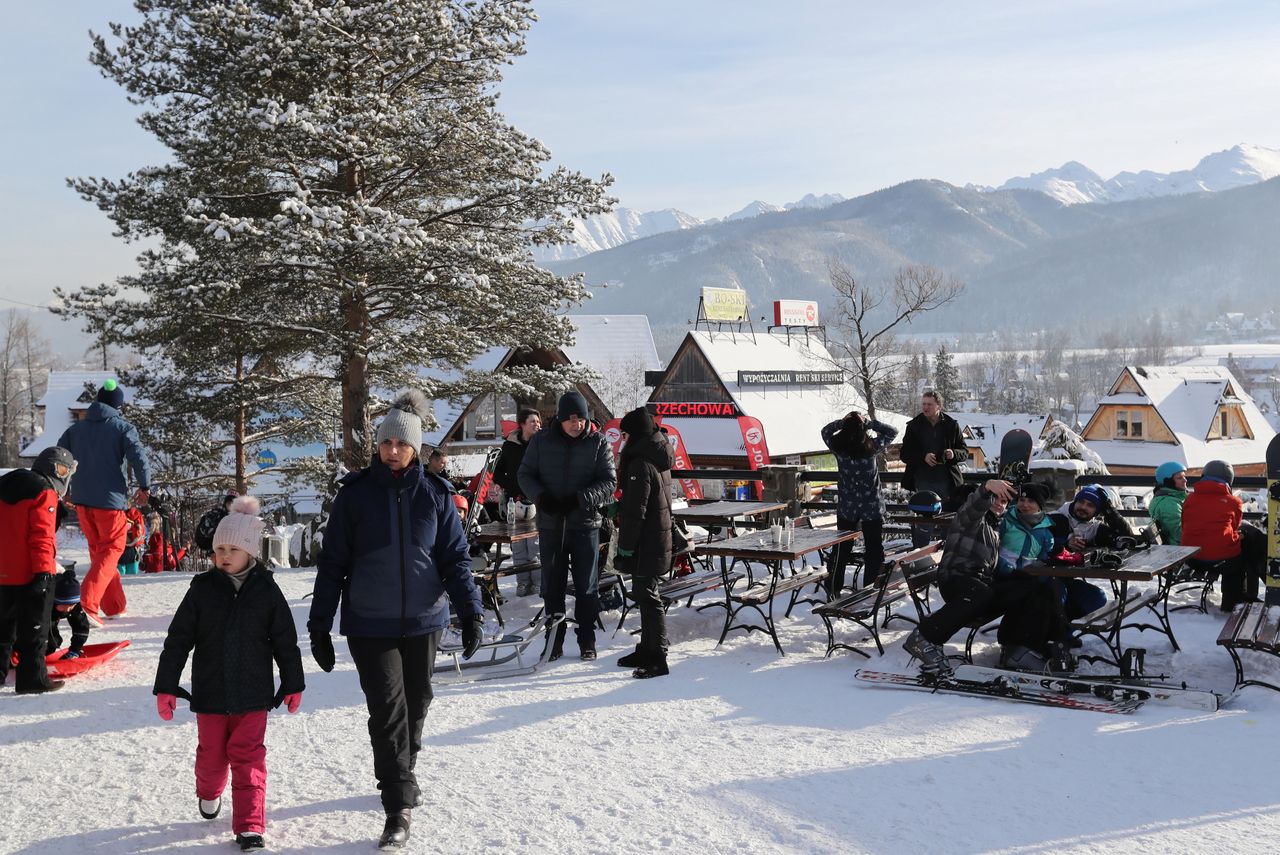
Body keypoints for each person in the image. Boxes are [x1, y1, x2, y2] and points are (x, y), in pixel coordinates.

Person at [308, 391, 484, 851]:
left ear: (416, 449)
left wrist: (470, 611)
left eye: (400, 445)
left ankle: (402, 770)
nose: (391, 451)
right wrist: (319, 625)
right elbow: (332, 565)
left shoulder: (436, 495)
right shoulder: (356, 496)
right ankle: (398, 806)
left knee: (417, 703)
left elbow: (455, 559)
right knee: (388, 712)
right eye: (385, 443)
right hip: (370, 623)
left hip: (425, 620)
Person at [153, 495, 305, 852]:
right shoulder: (201, 591)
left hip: (253, 695)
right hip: (211, 693)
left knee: (249, 757)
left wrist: (293, 681)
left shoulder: (267, 591)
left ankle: (250, 825)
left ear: (249, 551)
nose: (222, 555)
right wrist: (166, 685)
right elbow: (178, 640)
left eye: (231, 548)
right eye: (218, 548)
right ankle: (208, 791)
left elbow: (286, 640)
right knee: (212, 757)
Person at [902, 480, 1070, 674]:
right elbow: (975, 505)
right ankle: (924, 638)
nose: (999, 503)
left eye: (1004, 501)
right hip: (956, 578)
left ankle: (1018, 648)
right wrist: (987, 487)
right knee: (982, 593)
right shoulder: (970, 518)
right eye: (995, 499)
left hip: (981, 584)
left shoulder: (994, 528)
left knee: (1031, 587)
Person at [517, 390, 617, 661]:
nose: (577, 424)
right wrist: (541, 497)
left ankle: (587, 640)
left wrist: (580, 499)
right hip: (551, 526)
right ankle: (553, 642)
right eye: (571, 419)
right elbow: (524, 474)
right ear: (560, 420)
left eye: (581, 419)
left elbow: (609, 482)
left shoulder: (598, 443)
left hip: (586, 525)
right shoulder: (541, 442)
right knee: (552, 588)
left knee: (587, 587)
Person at [56, 378, 152, 624]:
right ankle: (87, 604)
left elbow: (59, 459)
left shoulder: (75, 430)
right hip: (110, 504)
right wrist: (145, 486)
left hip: (82, 503)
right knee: (112, 551)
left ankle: (115, 605)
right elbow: (139, 458)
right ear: (117, 406)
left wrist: (63, 489)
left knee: (101, 554)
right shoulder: (122, 428)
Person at [0, 447, 77, 694]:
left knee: (2, 629)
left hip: (2, 572)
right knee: (34, 629)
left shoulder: (6, 483)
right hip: (31, 572)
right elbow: (41, 536)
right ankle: (32, 678)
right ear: (57, 470)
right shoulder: (44, 492)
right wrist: (45, 573)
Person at [612, 407, 674, 679]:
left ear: (634, 435)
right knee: (644, 593)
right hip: (655, 536)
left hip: (646, 540)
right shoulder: (656, 455)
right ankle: (646, 648)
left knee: (648, 596)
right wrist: (618, 508)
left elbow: (637, 512)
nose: (622, 440)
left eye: (624, 434)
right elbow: (643, 501)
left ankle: (657, 656)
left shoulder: (639, 462)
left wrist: (625, 547)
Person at [821, 411, 898, 598]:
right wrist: (870, 424)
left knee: (841, 548)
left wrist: (842, 422)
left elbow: (825, 431)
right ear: (863, 428)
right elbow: (892, 432)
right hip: (871, 506)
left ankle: (833, 588)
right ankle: (870, 589)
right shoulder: (871, 446)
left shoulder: (838, 447)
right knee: (874, 548)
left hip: (847, 506)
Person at [1181, 459, 1265, 612]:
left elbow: (1185, 525)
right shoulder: (1234, 502)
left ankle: (1244, 596)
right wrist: (1240, 536)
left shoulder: (1189, 499)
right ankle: (1232, 601)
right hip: (1221, 562)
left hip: (1192, 559)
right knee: (1241, 553)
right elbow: (1234, 529)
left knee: (1234, 550)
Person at [899, 390, 968, 544]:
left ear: (939, 406)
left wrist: (953, 453)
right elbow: (904, 454)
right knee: (923, 527)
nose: (925, 407)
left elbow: (964, 452)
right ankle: (919, 556)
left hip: (948, 483)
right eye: (923, 404)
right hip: (923, 482)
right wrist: (923, 457)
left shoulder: (951, 425)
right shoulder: (914, 426)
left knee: (948, 525)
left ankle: (946, 557)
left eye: (929, 404)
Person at [494, 407, 543, 597]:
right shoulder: (509, 446)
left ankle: (538, 583)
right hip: (514, 502)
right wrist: (513, 489)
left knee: (535, 545)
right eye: (532, 421)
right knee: (518, 546)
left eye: (538, 422)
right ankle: (522, 583)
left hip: (537, 501)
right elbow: (498, 473)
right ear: (522, 424)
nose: (537, 425)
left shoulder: (542, 444)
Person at [48, 566, 91, 660]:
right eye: (64, 605)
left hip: (53, 617)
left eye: (71, 605)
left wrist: (75, 650)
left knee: (54, 642)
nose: (68, 609)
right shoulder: (46, 605)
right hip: (32, 619)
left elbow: (81, 628)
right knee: (46, 640)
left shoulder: (75, 606)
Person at [1147, 462, 1188, 545]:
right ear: (1169, 482)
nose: (1185, 480)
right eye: (1180, 478)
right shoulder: (1168, 504)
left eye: (1184, 476)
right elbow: (1180, 535)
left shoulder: (1170, 497)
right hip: (1179, 549)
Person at [195, 492, 239, 556]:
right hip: (211, 546)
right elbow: (206, 530)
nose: (231, 505)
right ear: (225, 503)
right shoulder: (216, 514)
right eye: (229, 503)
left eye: (233, 503)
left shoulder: (239, 517)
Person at [118, 501, 146, 576]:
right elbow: (141, 533)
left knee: (120, 577)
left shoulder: (117, 514)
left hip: (119, 549)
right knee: (132, 577)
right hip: (133, 550)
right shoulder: (137, 515)